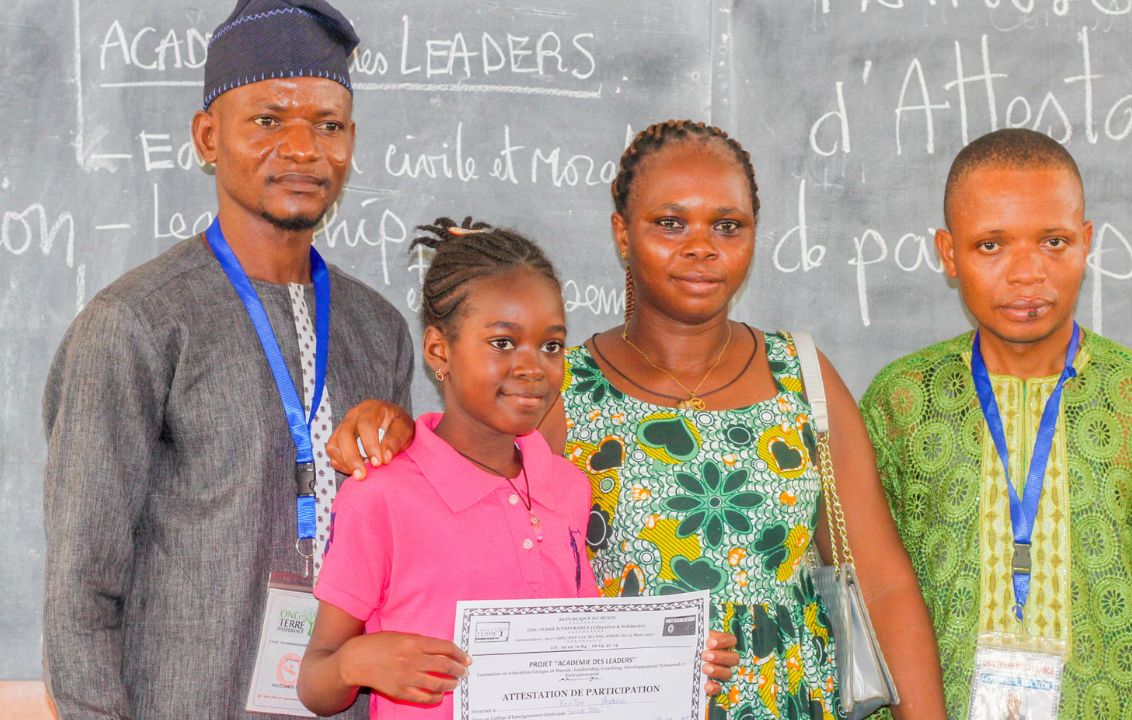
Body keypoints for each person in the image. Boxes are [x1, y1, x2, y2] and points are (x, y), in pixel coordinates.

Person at [330, 120, 947, 719]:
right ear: (622, 234)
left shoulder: (802, 376)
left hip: (791, 700)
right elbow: (461, 503)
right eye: (670, 223)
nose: (701, 246)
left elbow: (884, 585)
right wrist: (393, 425)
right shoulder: (554, 386)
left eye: (727, 225)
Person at [41, 2, 413, 718]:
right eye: (268, 120)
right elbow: (80, 587)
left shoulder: (380, 330)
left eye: (329, 125)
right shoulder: (135, 324)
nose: (303, 147)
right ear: (208, 137)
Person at [860, 128, 1132, 719]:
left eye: (1054, 241)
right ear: (948, 253)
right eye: (991, 246)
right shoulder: (903, 402)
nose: (1027, 272)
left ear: (1086, 243)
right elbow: (867, 606)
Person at [297, 217, 739, 718]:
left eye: (551, 345)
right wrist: (356, 662)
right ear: (440, 350)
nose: (533, 367)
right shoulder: (381, 496)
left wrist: (670, 665)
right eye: (503, 343)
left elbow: (581, 657)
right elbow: (315, 682)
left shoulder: (566, 486)